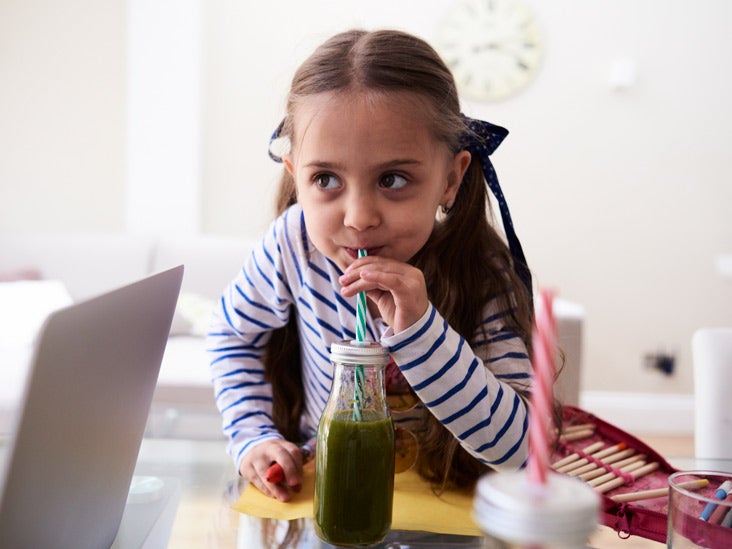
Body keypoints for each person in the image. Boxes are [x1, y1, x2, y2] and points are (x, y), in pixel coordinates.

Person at [208, 28, 535, 503]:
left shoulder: (483, 269)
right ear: (295, 176)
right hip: (327, 486)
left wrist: (422, 330)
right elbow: (231, 336)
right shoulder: (293, 243)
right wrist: (252, 435)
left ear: (450, 178)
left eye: (393, 178)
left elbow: (521, 450)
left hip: (446, 495)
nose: (359, 217)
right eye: (325, 178)